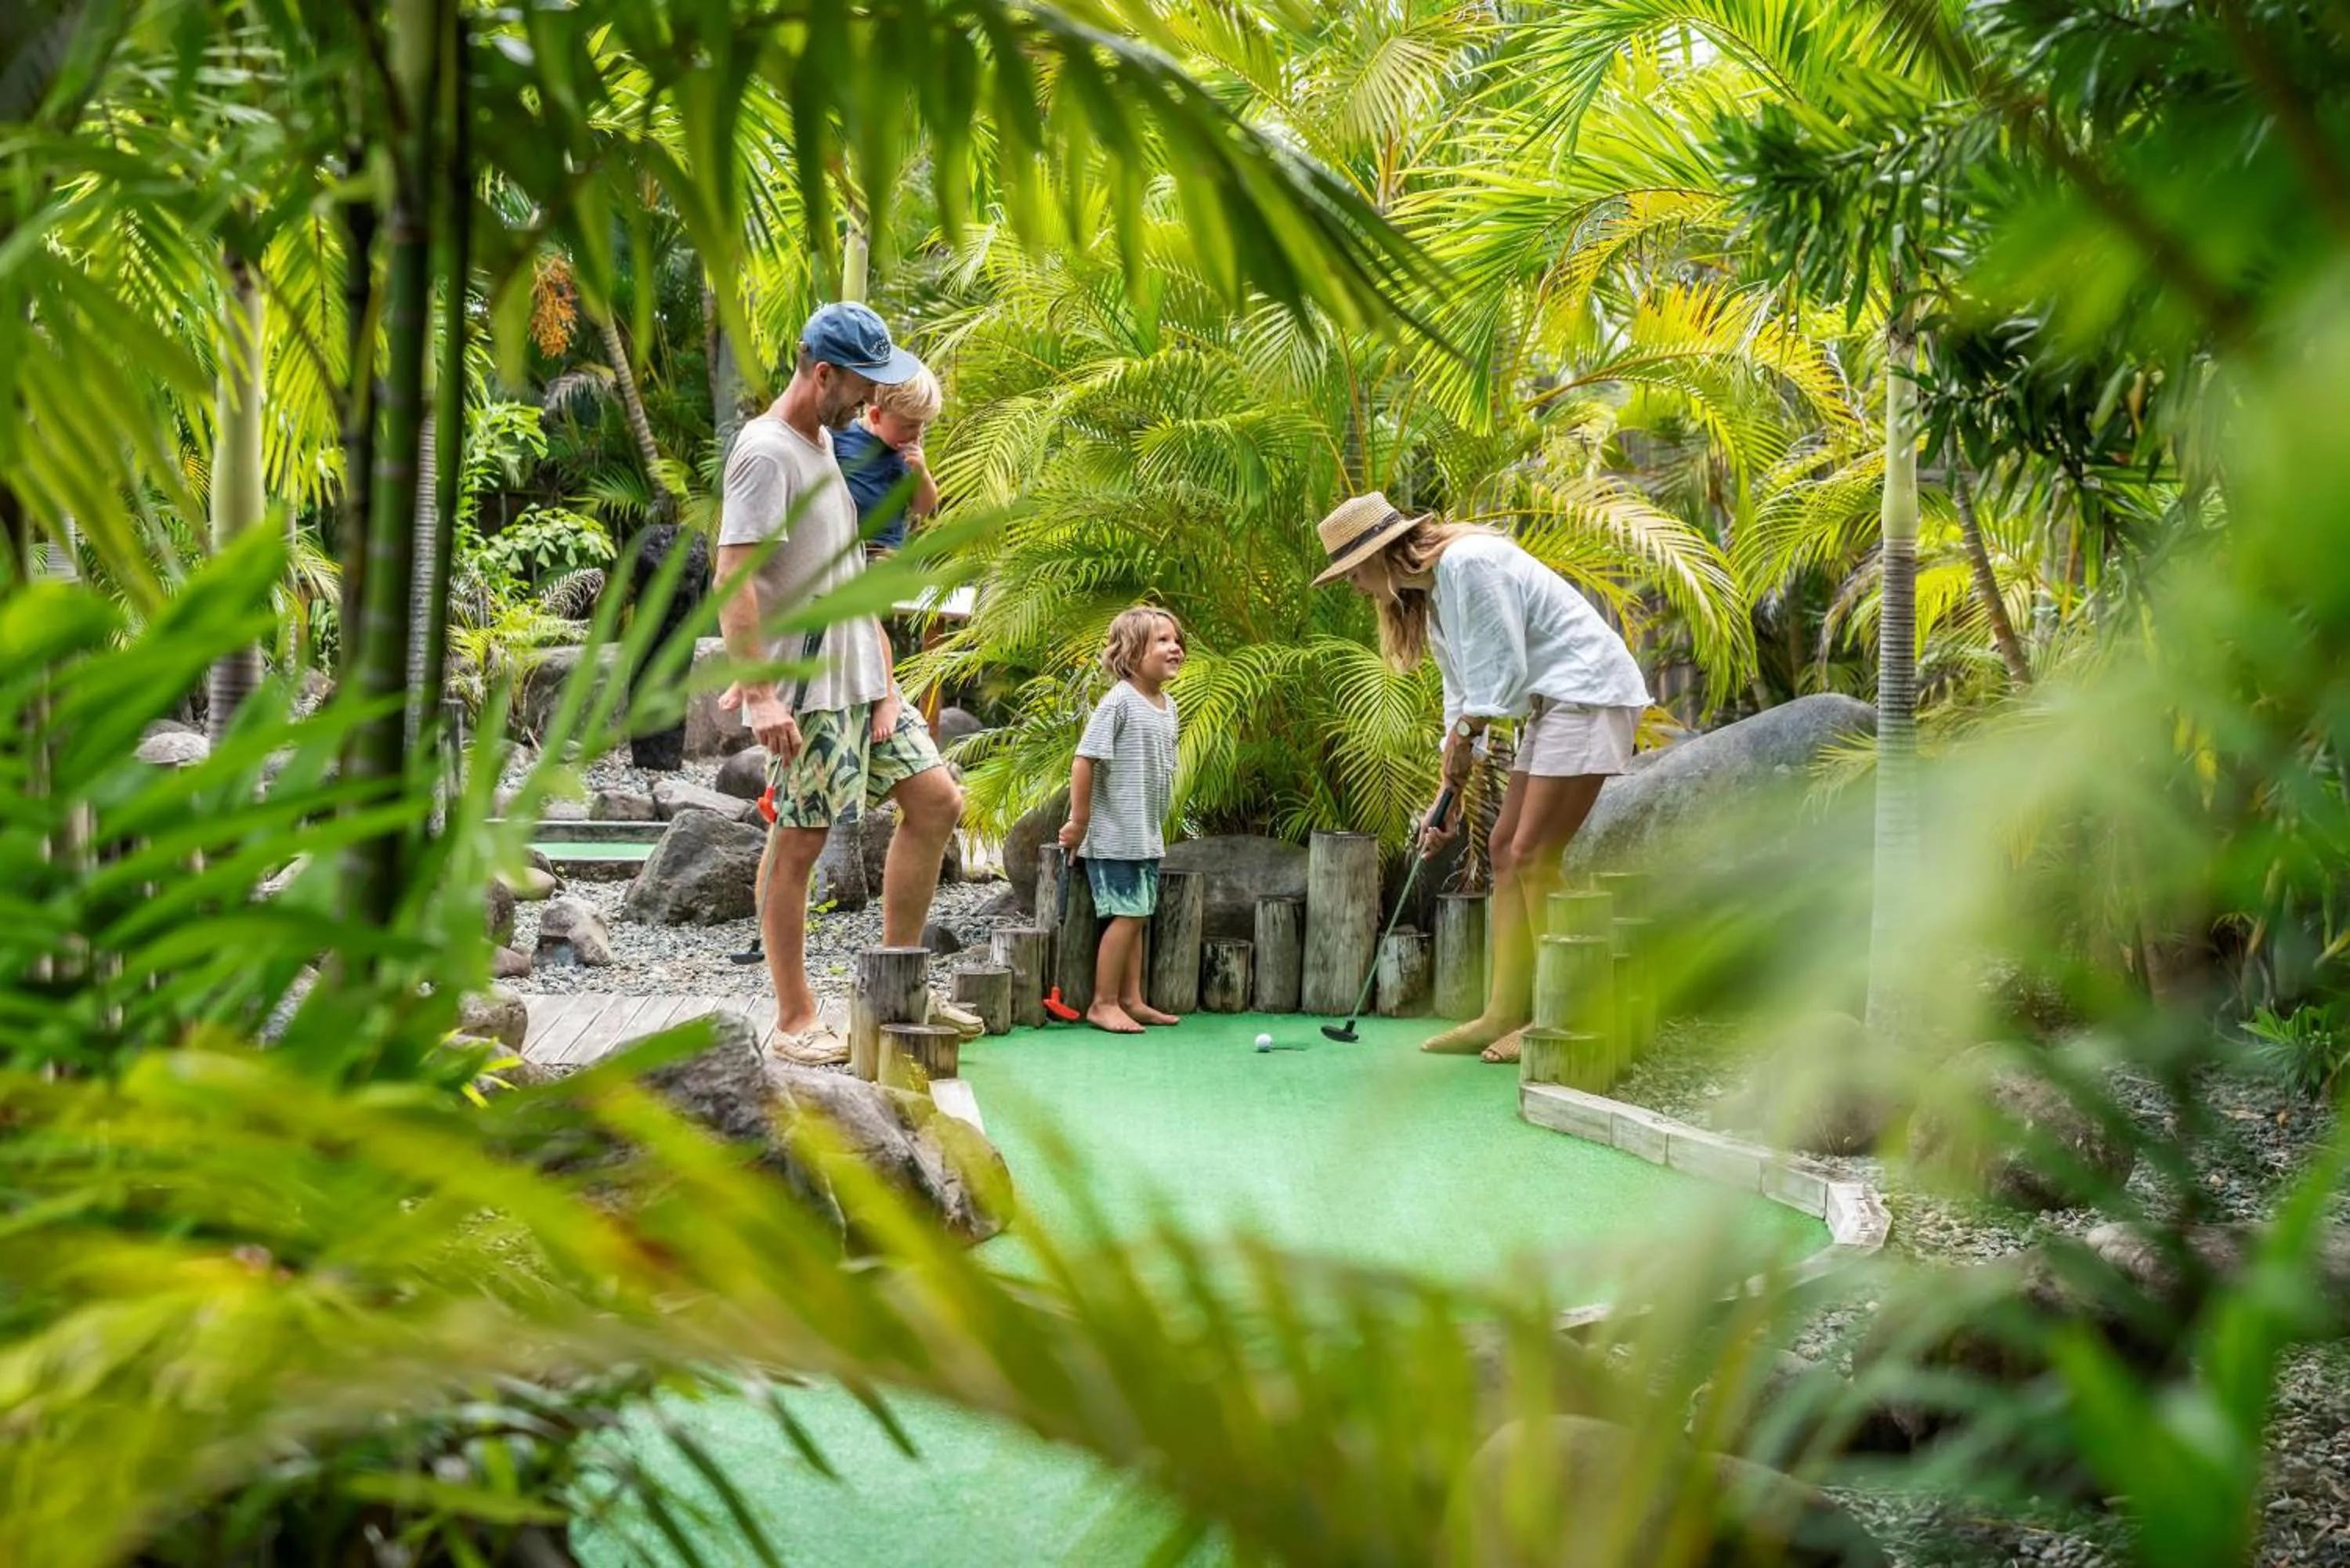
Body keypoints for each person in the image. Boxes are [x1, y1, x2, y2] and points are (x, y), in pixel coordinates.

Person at [1312, 491, 1649, 1064]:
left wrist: (1467, 740)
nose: (1353, 586)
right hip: (1554, 703)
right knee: (1503, 848)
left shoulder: (1470, 563)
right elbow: (1464, 695)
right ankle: (1500, 1013)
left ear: (1380, 553)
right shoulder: (1434, 595)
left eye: (1352, 571)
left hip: (1589, 694)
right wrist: (1446, 796)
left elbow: (1505, 673)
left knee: (1534, 853)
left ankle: (1568, 1009)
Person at [714, 302, 965, 1060]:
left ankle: (897, 992)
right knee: (801, 842)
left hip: (862, 671)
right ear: (823, 373)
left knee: (936, 800)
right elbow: (735, 575)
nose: (871, 401)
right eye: (863, 384)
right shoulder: (766, 452)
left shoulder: (825, 440)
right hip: (810, 685)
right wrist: (759, 692)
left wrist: (886, 678)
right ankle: (794, 1018)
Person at [1057, 607, 1187, 1035]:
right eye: (1162, 641)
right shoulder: (1119, 702)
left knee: (1139, 914)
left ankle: (1131, 999)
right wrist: (1079, 821)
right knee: (1127, 915)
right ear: (1132, 654)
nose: (1175, 648)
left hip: (1145, 833)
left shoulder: (1168, 706)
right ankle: (1103, 1002)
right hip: (1115, 834)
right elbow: (1084, 760)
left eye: (1176, 640)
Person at [833, 359, 942, 560]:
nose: (916, 434)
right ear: (876, 416)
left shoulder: (910, 452)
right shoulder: (841, 435)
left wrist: (922, 474)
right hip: (844, 544)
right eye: (908, 426)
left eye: (921, 426)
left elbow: (924, 508)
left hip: (886, 549)